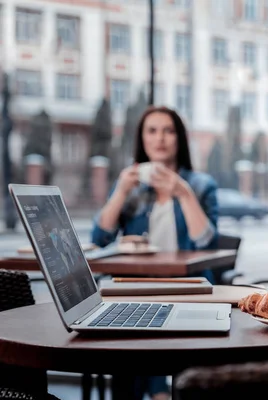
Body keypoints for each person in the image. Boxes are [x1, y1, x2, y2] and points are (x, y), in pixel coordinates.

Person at [91, 105, 219, 400]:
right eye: (152, 131)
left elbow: (207, 244)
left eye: (168, 130)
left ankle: (158, 390)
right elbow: (100, 238)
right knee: (132, 333)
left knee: (144, 336)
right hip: (134, 287)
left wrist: (182, 192)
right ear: (142, 139)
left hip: (187, 288)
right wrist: (121, 191)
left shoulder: (200, 185)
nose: (160, 138)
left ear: (180, 139)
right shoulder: (132, 188)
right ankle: (158, 391)